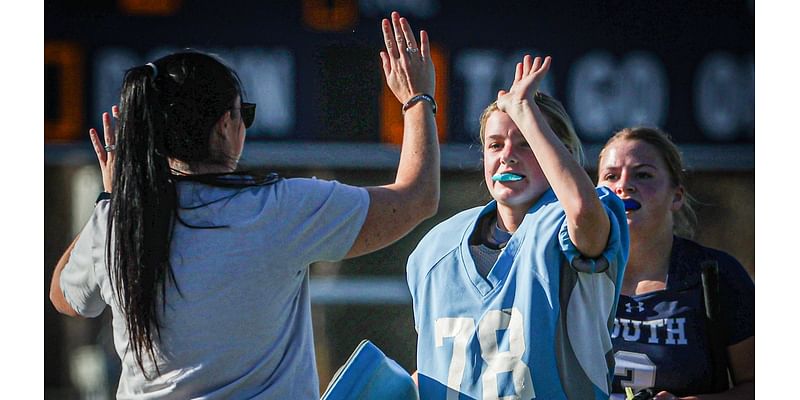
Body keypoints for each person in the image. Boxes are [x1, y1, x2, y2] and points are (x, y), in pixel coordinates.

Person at [49, 11, 439, 399]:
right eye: (243, 114)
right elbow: (416, 198)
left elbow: (64, 297)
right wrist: (417, 99)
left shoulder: (116, 224)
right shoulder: (279, 209)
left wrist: (114, 198)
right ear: (224, 126)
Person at [406, 55, 629, 399]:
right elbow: (442, 368)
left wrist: (525, 109)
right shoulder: (435, 248)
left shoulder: (567, 223)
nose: (507, 155)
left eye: (525, 142)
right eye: (495, 144)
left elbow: (582, 212)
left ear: (561, 152)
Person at [596, 127, 754, 400]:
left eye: (643, 174)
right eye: (611, 176)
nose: (624, 185)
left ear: (677, 196)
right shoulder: (573, 273)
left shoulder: (717, 273)